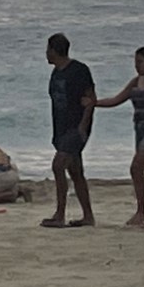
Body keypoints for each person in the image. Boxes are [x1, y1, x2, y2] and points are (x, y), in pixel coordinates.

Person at [94, 47, 144, 226]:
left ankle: (141, 212)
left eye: (140, 62)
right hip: (140, 130)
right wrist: (94, 103)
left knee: (136, 168)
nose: (137, 66)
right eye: (135, 63)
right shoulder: (136, 82)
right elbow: (116, 99)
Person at [40, 31, 96, 228]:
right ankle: (88, 216)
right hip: (62, 128)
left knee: (58, 166)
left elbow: (90, 99)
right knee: (76, 171)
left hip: (76, 127)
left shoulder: (79, 70)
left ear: (55, 51)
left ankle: (59, 214)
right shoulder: (56, 73)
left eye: (48, 50)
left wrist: (83, 126)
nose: (46, 54)